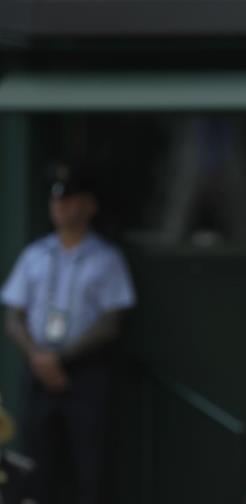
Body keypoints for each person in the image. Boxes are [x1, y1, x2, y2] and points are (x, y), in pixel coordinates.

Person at [1, 161, 137, 504]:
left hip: (85, 372)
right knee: (36, 463)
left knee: (91, 464)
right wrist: (39, 357)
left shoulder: (106, 258)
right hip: (38, 372)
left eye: (71, 200)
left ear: (88, 206)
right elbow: (13, 316)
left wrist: (60, 359)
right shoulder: (35, 254)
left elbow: (111, 322)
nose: (61, 208)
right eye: (57, 201)